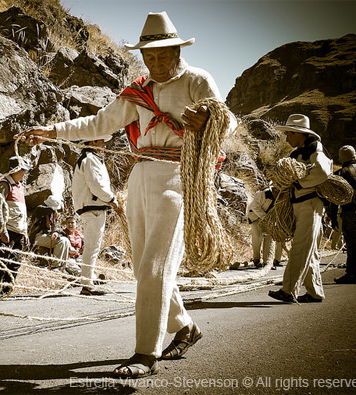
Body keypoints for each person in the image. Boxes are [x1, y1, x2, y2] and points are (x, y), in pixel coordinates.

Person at [18, 11, 236, 378]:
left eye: (162, 55)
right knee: (142, 269)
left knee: (155, 267)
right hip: (139, 177)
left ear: (177, 51)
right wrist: (51, 131)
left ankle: (144, 354)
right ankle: (184, 327)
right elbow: (99, 123)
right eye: (149, 56)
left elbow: (227, 119)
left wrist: (210, 123)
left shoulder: (198, 80)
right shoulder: (139, 90)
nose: (156, 62)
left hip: (180, 178)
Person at [268, 114, 332, 303]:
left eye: (289, 134)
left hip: (310, 204)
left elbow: (322, 172)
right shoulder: (297, 153)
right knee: (309, 251)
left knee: (300, 248)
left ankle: (288, 290)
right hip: (300, 203)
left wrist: (297, 184)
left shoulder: (315, 150)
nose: (287, 138)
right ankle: (314, 292)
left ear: (299, 134)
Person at [73, 139, 120, 296]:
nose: (104, 144)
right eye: (101, 141)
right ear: (92, 141)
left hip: (91, 207)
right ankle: (87, 284)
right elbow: (97, 185)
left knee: (92, 246)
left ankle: (89, 278)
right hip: (93, 208)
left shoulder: (89, 158)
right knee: (92, 246)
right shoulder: (90, 159)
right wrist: (112, 199)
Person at [0, 156, 31, 297]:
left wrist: (25, 232)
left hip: (19, 231)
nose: (23, 174)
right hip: (7, 230)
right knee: (1, 262)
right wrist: (2, 230)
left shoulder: (19, 187)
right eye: (22, 171)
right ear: (14, 170)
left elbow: (22, 212)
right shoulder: (4, 184)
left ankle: (7, 292)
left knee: (15, 263)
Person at [330, 145, 356, 284]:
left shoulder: (339, 175)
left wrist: (333, 218)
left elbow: (334, 199)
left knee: (353, 246)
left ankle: (352, 274)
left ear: (341, 158)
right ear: (355, 156)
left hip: (350, 213)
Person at [246, 185, 285, 269]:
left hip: (269, 220)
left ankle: (267, 261)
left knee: (270, 238)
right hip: (256, 217)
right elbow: (255, 207)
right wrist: (266, 217)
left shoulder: (281, 198)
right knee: (257, 237)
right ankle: (256, 259)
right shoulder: (262, 194)